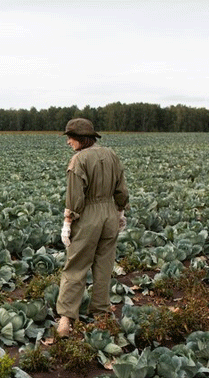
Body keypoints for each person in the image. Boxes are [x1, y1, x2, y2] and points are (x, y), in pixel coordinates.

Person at [56, 118, 129, 337]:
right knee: (104, 265)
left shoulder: (78, 160)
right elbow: (121, 189)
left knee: (76, 266)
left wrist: (67, 223)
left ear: (80, 139)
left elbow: (75, 198)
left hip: (88, 217)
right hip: (109, 216)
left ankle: (65, 320)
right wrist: (120, 212)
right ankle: (101, 315)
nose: (68, 142)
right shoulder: (111, 154)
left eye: (70, 138)